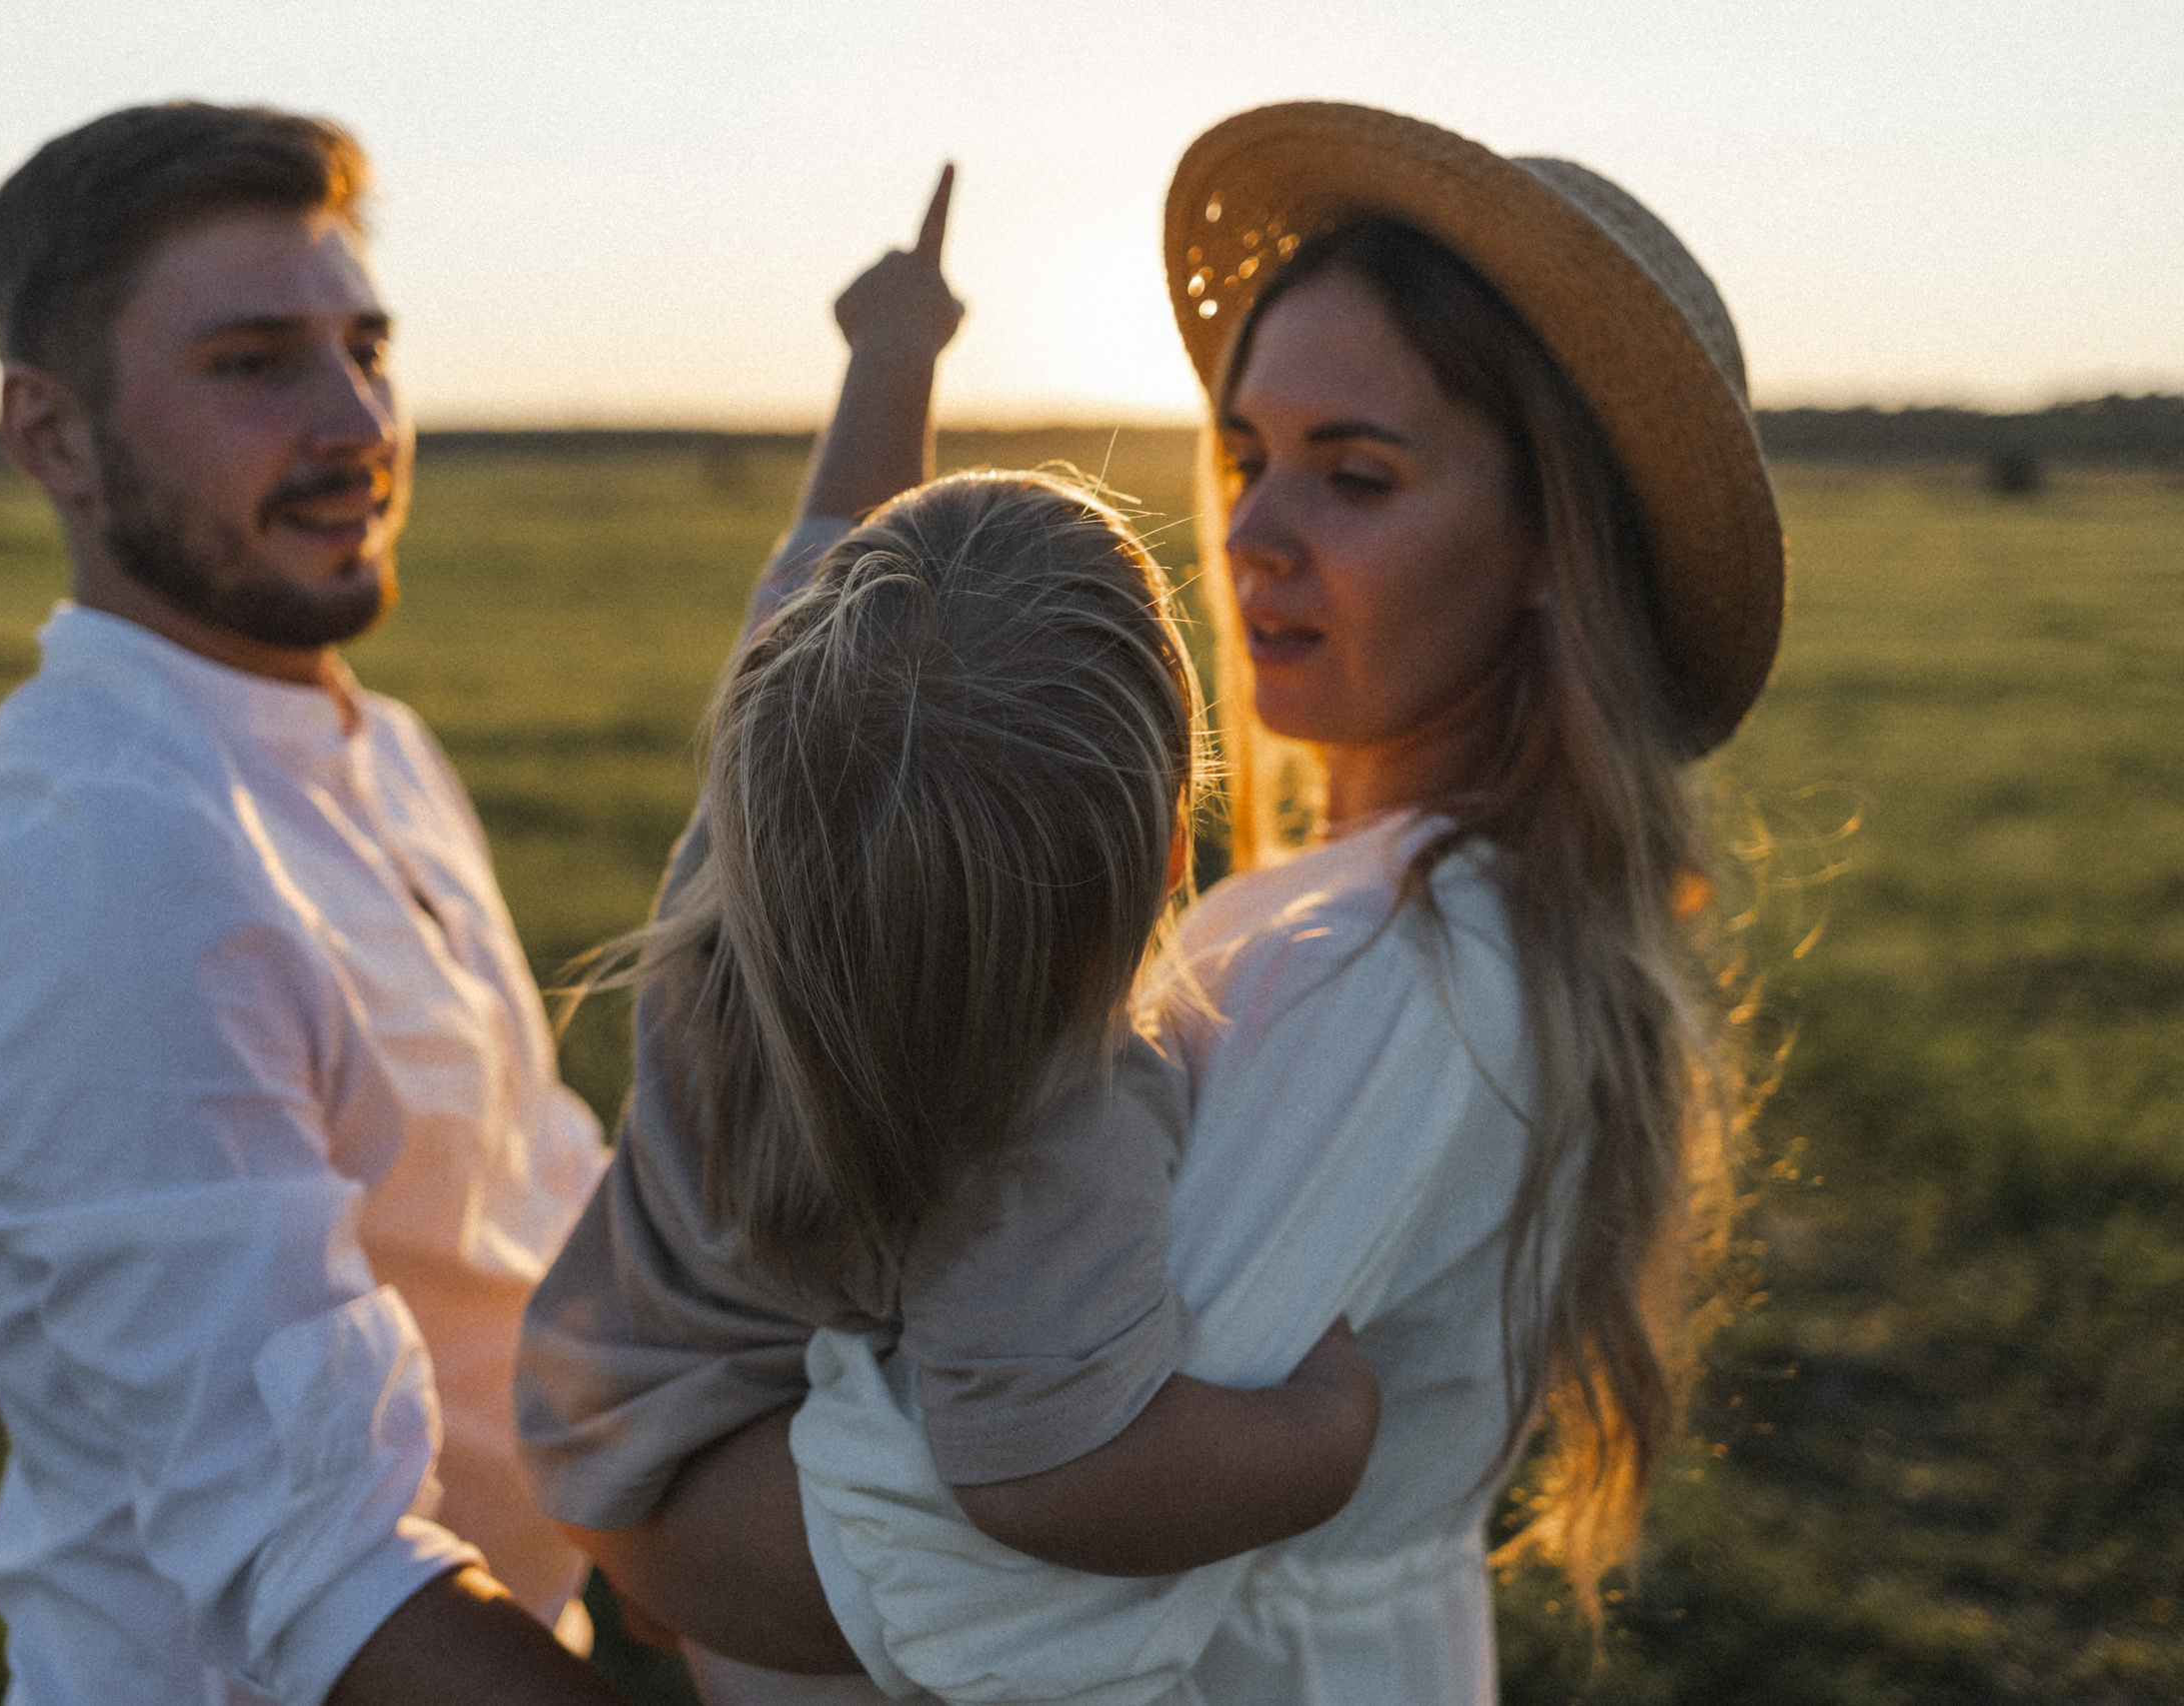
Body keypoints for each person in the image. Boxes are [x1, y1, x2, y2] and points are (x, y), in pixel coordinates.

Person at [578, 103, 1784, 1706]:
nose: (1254, 533)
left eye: (1353, 476)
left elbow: (1000, 1572)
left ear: (1552, 541)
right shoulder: (1354, 917)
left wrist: (640, 1521)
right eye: (1243, 457)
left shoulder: (1366, 966)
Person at [514, 172, 1383, 1704]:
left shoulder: (755, 854)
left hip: (614, 1412)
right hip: (773, 1548)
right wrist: (1321, 1439)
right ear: (1172, 843)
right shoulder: (1047, 1128)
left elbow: (833, 528)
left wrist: (895, 343)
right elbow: (1044, 1477)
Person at [0, 102, 621, 1706]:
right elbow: (328, 1587)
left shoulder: (380, 748)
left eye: (368, 346)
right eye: (255, 363)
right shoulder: (102, 862)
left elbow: (550, 1232)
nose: (357, 414)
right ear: (53, 437)